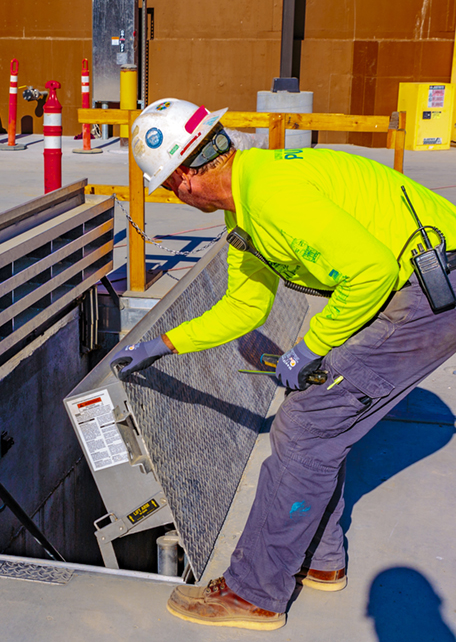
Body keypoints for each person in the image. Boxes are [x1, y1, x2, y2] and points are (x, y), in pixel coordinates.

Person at [110, 98, 456, 631]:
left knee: (308, 424)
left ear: (182, 178)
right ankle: (320, 560)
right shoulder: (246, 204)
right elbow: (245, 306)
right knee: (320, 423)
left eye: (166, 189)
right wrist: (165, 344)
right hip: (414, 278)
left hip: (429, 287)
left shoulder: (273, 195)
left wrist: (310, 345)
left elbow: (370, 271)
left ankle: (254, 594)